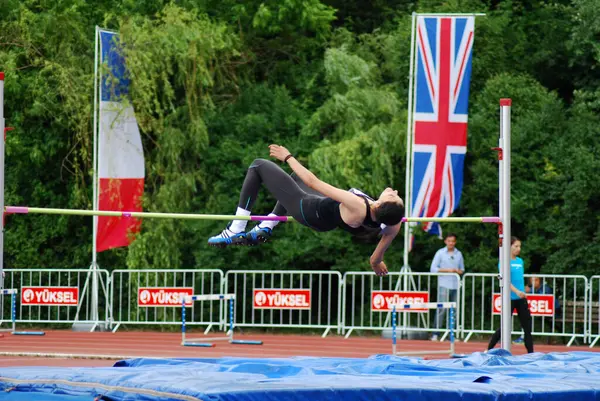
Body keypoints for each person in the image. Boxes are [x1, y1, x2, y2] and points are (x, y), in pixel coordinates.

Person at [207, 144, 405, 276]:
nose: (394, 190)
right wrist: (376, 264)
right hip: (321, 217)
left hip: (306, 208)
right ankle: (266, 226)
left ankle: (236, 228)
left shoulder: (357, 205)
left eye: (393, 196)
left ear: (380, 204)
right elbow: (374, 259)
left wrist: (288, 156)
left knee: (258, 165)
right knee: (296, 177)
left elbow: (313, 181)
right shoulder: (392, 224)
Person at [487, 236, 534, 353]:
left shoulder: (520, 261)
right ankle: (488, 349)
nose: (518, 249)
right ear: (509, 246)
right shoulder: (503, 261)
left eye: (520, 246)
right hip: (510, 299)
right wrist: (516, 291)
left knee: (527, 328)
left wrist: (523, 290)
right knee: (503, 327)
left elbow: (519, 279)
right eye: (516, 246)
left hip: (521, 298)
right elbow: (506, 280)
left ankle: (531, 354)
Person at [429, 233, 464, 341]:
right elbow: (433, 268)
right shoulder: (440, 253)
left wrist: (458, 271)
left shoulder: (459, 254)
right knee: (441, 309)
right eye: (449, 241)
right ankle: (436, 333)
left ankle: (451, 334)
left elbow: (462, 269)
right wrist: (448, 270)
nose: (451, 243)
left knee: (454, 310)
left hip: (455, 285)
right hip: (443, 284)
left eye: (453, 241)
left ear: (455, 242)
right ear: (445, 241)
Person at [513, 276, 562, 345]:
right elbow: (528, 294)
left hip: (554, 312)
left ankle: (524, 337)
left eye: (536, 280)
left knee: (526, 316)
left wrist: (528, 291)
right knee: (525, 315)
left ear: (540, 281)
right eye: (532, 281)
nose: (534, 282)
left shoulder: (545, 288)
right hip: (543, 311)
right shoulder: (533, 289)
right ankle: (523, 337)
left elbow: (540, 298)